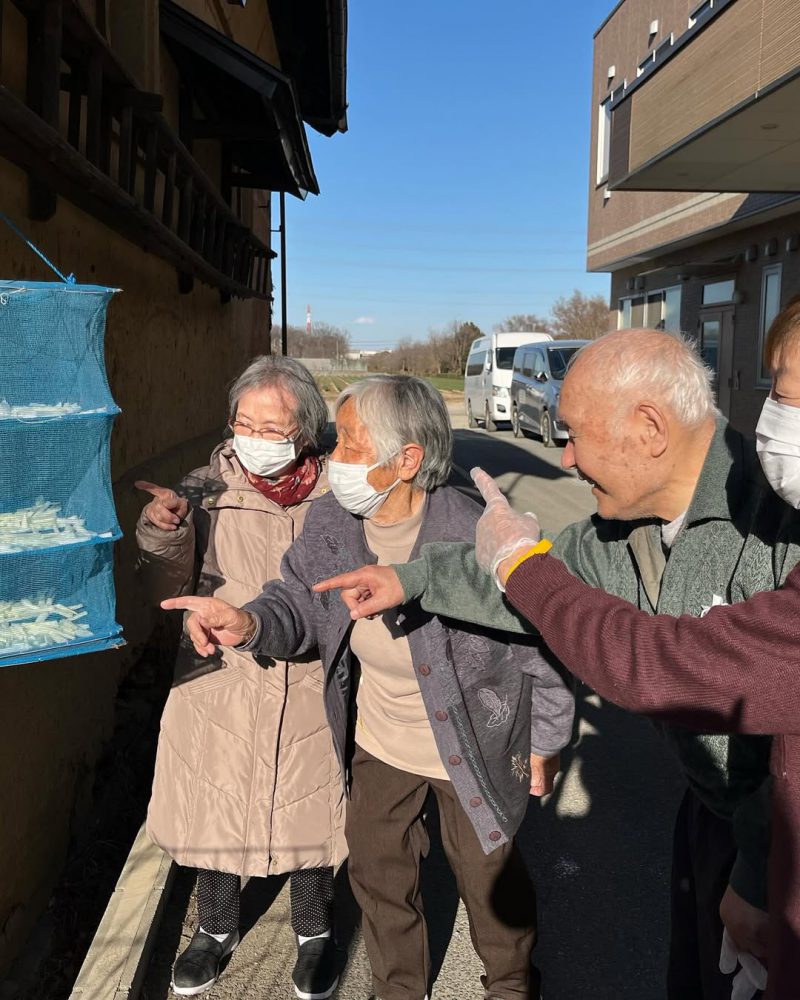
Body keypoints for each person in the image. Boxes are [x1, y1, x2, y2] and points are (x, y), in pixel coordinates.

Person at [313, 331, 800, 1000]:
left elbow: (670, 671)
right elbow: (533, 590)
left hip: (778, 843)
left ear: (649, 428)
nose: (564, 456)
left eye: (574, 434)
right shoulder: (623, 529)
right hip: (712, 816)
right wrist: (410, 578)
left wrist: (756, 869)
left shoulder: (776, 524)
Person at [161, 374, 575, 1000]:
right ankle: (399, 988)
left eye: (351, 442)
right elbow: (298, 599)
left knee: (488, 877)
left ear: (406, 460)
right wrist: (249, 623)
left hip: (475, 741)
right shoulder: (334, 520)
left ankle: (511, 984)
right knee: (380, 879)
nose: (335, 456)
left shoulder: (472, 529)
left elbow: (539, 642)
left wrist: (545, 740)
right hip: (380, 741)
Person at [135, 356, 345, 999]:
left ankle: (314, 930)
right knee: (216, 803)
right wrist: (163, 533)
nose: (253, 437)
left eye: (271, 427)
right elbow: (163, 585)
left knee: (313, 806)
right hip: (221, 674)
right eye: (242, 423)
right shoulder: (204, 489)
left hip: (308, 673)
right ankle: (215, 929)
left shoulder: (341, 494)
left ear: (305, 431)